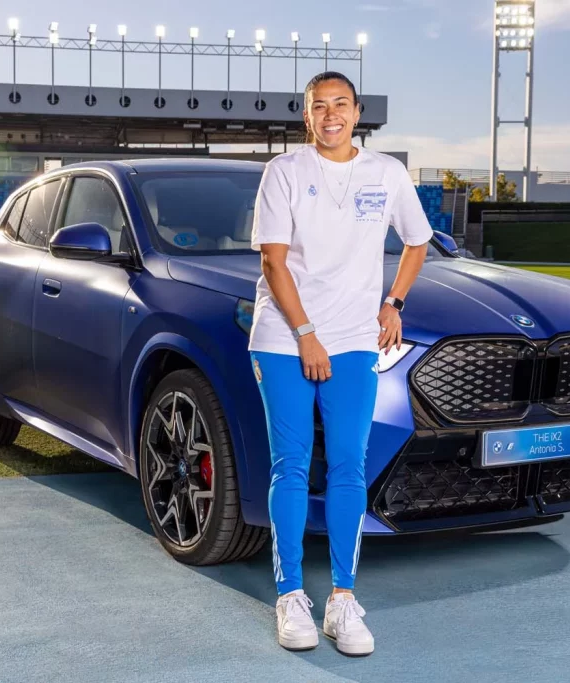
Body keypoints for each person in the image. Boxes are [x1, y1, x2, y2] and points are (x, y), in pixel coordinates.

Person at [248, 71, 434, 656]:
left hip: (355, 339)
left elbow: (417, 240)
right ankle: (290, 596)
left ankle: (344, 600)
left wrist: (394, 302)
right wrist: (305, 335)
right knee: (293, 463)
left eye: (341, 105)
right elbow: (274, 263)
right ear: (307, 116)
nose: (331, 115)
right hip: (283, 336)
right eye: (318, 106)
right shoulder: (284, 172)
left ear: (357, 114)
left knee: (351, 465)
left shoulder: (386, 174)